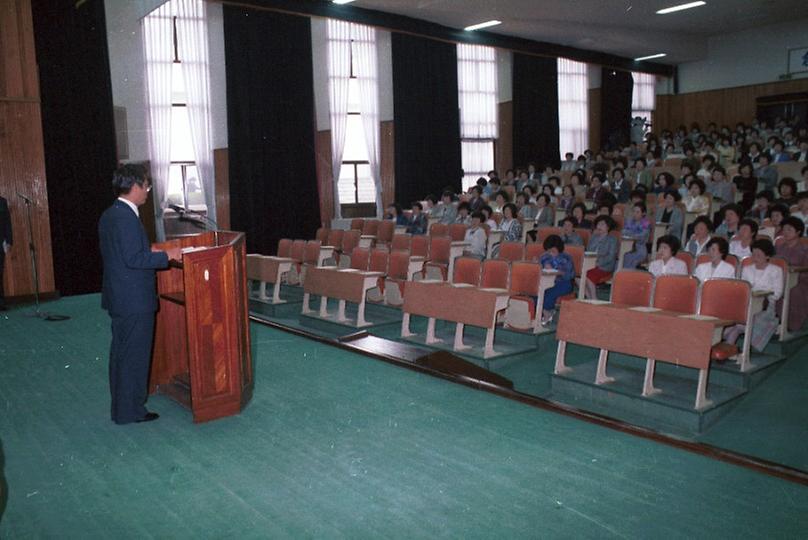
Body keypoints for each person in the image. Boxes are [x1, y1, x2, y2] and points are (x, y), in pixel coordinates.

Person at [99, 164, 181, 425]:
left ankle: (123, 407)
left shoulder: (110, 214)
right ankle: (131, 411)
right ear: (133, 186)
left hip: (121, 297)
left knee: (122, 354)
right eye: (145, 185)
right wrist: (166, 255)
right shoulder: (125, 218)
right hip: (133, 300)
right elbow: (134, 258)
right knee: (133, 356)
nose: (147, 190)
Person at [723, 238, 783, 348]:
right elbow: (742, 288)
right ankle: (728, 346)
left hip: (765, 307)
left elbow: (777, 293)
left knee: (737, 326)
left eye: (759, 255)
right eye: (753, 254)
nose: (755, 258)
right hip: (746, 305)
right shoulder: (747, 269)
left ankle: (728, 344)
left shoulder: (776, 270)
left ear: (767, 256)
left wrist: (761, 295)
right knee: (734, 320)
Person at [776, 218, 808, 332]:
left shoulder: (805, 250)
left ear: (798, 232)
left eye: (789, 230)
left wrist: (793, 274)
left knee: (793, 291)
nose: (785, 232)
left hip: (800, 282)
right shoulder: (778, 248)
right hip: (779, 280)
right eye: (784, 229)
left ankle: (790, 325)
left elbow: (806, 271)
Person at [538, 235, 575, 325]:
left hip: (563, 283)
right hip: (546, 282)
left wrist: (557, 272)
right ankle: (546, 313)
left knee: (549, 294)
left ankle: (547, 314)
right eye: (548, 250)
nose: (550, 252)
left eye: (553, 250)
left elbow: (569, 275)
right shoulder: (544, 257)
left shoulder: (566, 258)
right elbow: (539, 268)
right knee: (536, 293)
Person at [584, 216, 619, 299]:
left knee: (588, 275)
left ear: (608, 227)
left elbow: (610, 257)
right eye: (598, 224)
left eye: (602, 224)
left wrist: (597, 264)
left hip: (605, 266)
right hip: (591, 264)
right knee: (577, 275)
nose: (599, 226)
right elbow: (588, 251)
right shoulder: (593, 237)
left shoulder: (612, 239)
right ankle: (591, 298)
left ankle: (594, 298)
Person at [622, 202, 651, 269]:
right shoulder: (629, 221)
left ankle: (628, 275)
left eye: (637, 212)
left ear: (643, 213)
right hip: (627, 246)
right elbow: (623, 232)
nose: (635, 214)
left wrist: (631, 234)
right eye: (634, 211)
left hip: (639, 248)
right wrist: (633, 235)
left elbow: (642, 237)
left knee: (630, 258)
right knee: (623, 256)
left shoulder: (646, 223)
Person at [0, 195, 12, 311]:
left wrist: (9, 240)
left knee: (0, 273)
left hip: (0, 242)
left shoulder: (2, 201)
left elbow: (7, 222)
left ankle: (1, 302)